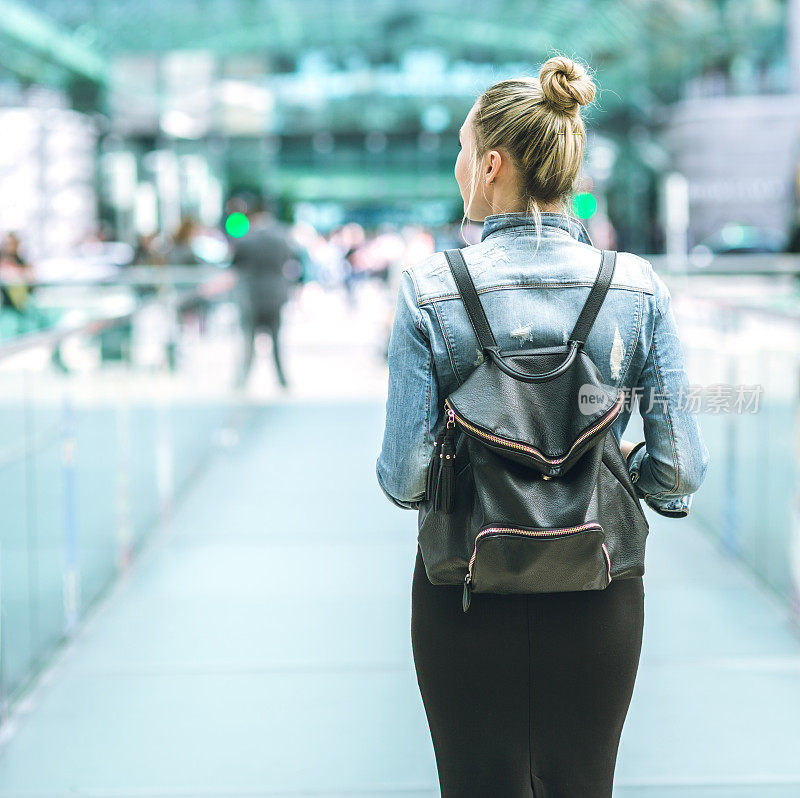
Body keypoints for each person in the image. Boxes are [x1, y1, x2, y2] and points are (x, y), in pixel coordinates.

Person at [376, 55, 710, 797]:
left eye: (463, 151)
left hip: (465, 582)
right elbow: (682, 464)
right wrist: (623, 473)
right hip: (599, 579)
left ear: (492, 163)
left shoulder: (431, 291)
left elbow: (403, 474)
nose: (459, 167)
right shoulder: (633, 284)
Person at [230, 199, 298, 388]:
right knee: (276, 341)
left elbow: (235, 264)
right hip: (276, 293)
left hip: (251, 295)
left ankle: (242, 379)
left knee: (248, 340)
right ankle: (282, 380)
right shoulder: (282, 238)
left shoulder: (246, 239)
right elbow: (290, 261)